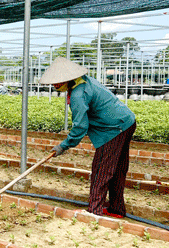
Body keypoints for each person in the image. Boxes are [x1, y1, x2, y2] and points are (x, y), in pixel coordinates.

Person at [39, 57, 136, 218]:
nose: (55, 85)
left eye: (58, 81)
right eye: (53, 82)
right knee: (117, 170)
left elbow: (80, 127)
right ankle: (116, 209)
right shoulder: (84, 81)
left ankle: (94, 210)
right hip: (127, 122)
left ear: (68, 78)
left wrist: (63, 146)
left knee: (101, 170)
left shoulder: (78, 94)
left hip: (113, 129)